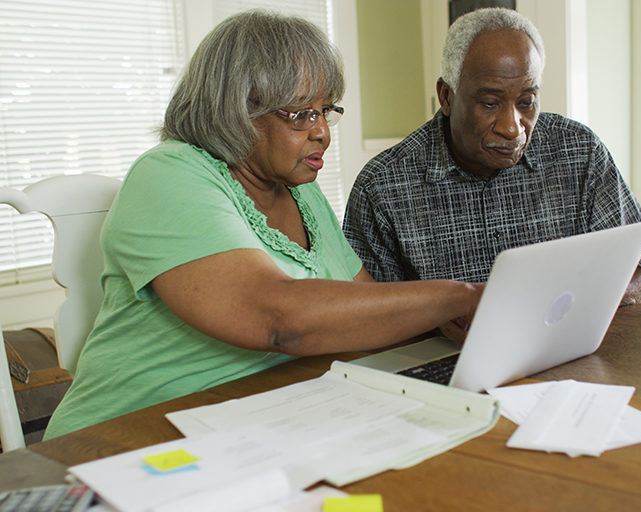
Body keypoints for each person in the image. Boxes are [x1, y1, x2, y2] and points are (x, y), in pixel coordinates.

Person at [43, 10, 482, 439]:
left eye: (325, 111)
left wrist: (436, 324)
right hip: (124, 445)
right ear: (235, 111)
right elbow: (276, 317)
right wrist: (457, 298)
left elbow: (361, 310)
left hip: (255, 428)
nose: (323, 133)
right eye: (301, 114)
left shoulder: (300, 190)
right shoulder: (170, 173)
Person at [343, 7, 641, 306]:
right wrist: (439, 315)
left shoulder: (578, 151)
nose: (513, 128)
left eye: (526, 102)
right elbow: (366, 315)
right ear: (446, 96)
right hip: (445, 363)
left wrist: (577, 306)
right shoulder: (383, 187)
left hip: (570, 356)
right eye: (489, 103)